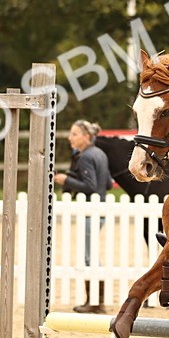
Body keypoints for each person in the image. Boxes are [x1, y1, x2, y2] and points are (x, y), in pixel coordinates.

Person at [55, 120, 113, 313]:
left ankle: (96, 302)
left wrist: (67, 180)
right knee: (91, 255)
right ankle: (96, 300)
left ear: (86, 137)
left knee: (90, 257)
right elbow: (107, 185)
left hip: (90, 212)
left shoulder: (86, 157)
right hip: (101, 209)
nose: (70, 138)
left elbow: (91, 186)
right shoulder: (100, 154)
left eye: (74, 134)